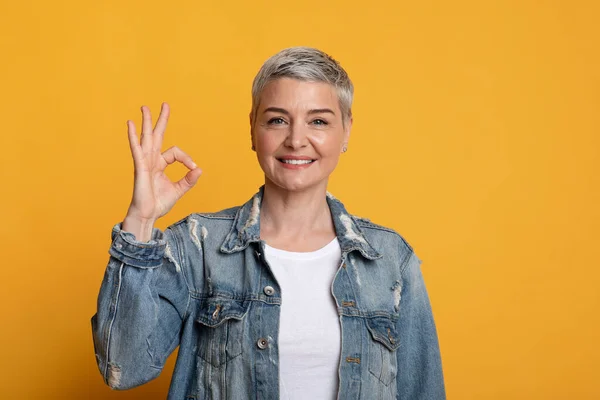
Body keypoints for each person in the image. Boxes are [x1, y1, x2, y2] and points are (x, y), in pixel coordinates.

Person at [91, 46, 446, 400]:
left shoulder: (389, 260)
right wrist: (141, 219)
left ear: (347, 131)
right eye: (277, 119)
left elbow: (424, 391)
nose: (295, 139)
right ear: (252, 129)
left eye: (318, 121)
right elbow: (123, 366)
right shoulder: (197, 248)